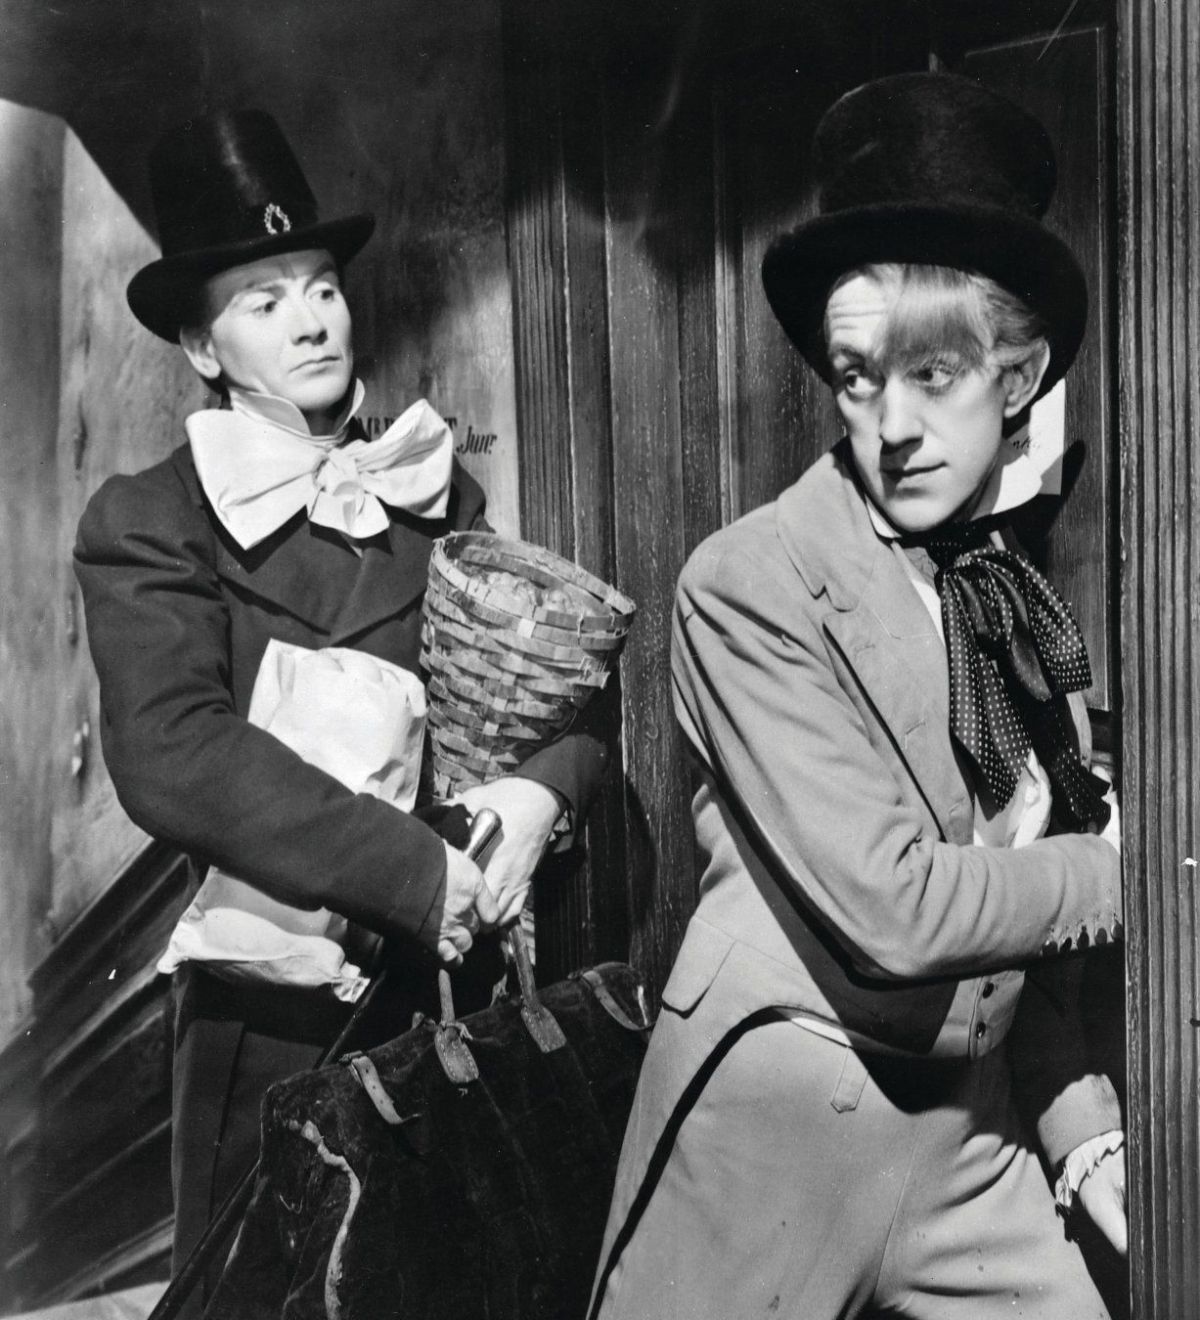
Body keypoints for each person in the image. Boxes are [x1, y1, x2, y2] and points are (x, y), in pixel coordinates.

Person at [589, 73, 1125, 1320]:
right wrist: (1125, 870)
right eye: (856, 377)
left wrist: (1081, 1125)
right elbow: (898, 909)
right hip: (776, 1131)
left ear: (1018, 377)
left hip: (970, 1136)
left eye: (934, 374)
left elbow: (1028, 886)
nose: (893, 426)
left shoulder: (1014, 594)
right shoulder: (746, 582)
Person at [73, 109, 608, 1313]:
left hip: (450, 992)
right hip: (273, 1012)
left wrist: (542, 795)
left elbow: (552, 696)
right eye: (264, 302)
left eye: (321, 286)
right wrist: (415, 877)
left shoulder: (428, 493)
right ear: (203, 346)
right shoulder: (152, 518)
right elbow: (170, 752)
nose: (312, 318)